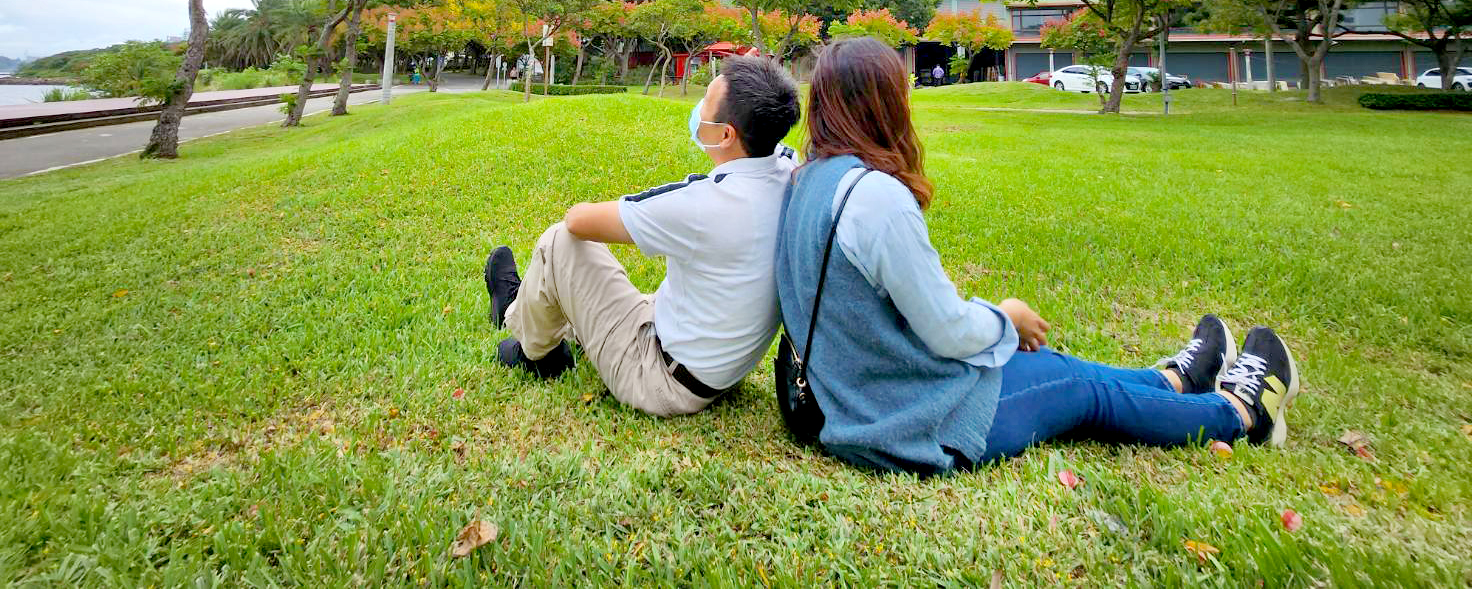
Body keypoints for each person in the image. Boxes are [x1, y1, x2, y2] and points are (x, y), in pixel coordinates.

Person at [775, 37, 1300, 475]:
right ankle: (1240, 413)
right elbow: (947, 331)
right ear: (886, 104)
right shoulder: (876, 196)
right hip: (901, 422)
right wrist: (1008, 318)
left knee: (1054, 367)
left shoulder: (807, 179)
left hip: (848, 395)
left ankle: (1174, 380)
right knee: (1077, 391)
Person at [485, 57, 801, 417]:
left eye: (707, 104)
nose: (698, 110)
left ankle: (535, 350)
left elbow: (578, 221)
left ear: (726, 134)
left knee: (560, 242)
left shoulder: (705, 203)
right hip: (716, 360)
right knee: (598, 289)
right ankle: (530, 299)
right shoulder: (788, 169)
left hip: (660, 378)